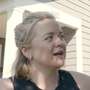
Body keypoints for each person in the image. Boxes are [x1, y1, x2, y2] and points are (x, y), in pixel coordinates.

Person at [0, 11, 90, 90]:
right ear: (26, 51)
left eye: (61, 36)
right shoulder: (5, 87)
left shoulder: (82, 83)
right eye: (49, 37)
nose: (60, 42)